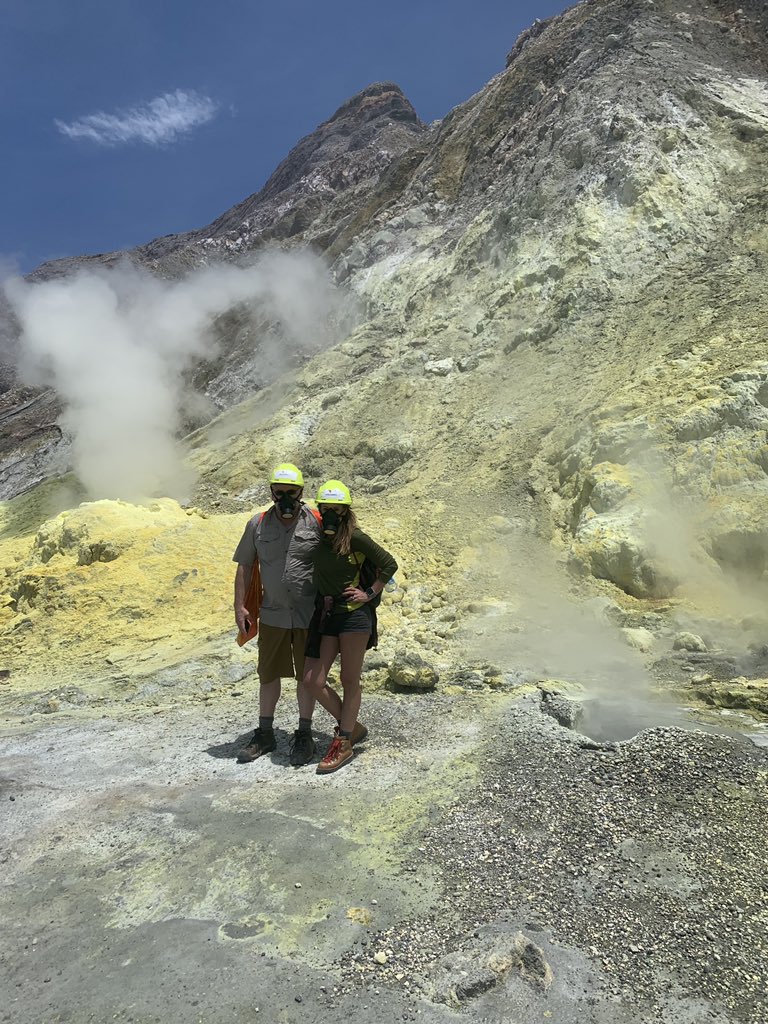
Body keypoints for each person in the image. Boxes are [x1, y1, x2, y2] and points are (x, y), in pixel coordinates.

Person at [232, 463, 342, 767]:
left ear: (302, 492)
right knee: (268, 675)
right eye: (279, 492)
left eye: (291, 493)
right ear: (270, 492)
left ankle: (303, 735)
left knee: (306, 680)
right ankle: (264, 733)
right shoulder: (257, 524)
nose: (285, 499)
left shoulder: (318, 522)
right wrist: (240, 606)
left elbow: (343, 554)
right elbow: (244, 565)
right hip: (273, 616)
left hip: (309, 616)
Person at [302, 480, 398, 775]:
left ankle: (343, 743)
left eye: (337, 509)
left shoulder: (355, 538)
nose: (330, 513)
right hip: (329, 615)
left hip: (355, 617)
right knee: (312, 680)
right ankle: (352, 726)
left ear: (346, 510)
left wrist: (368, 593)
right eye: (325, 508)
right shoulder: (319, 539)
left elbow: (389, 563)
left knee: (349, 678)